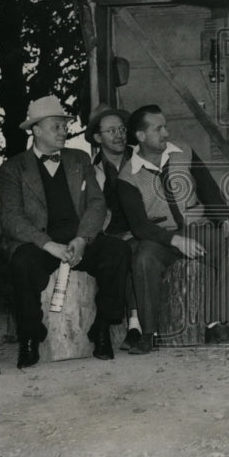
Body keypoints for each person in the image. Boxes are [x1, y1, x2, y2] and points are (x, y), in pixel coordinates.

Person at [0, 95, 129, 368]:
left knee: (117, 251)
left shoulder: (79, 159)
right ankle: (31, 337)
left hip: (80, 239)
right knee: (22, 263)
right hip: (40, 244)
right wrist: (48, 244)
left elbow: (96, 203)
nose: (64, 131)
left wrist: (83, 238)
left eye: (64, 125)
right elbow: (11, 218)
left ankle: (102, 326)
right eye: (56, 126)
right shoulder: (13, 168)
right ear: (36, 130)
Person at [116, 105, 229, 352]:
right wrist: (174, 241)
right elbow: (139, 225)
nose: (166, 133)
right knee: (143, 259)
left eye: (165, 126)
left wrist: (226, 224)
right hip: (159, 238)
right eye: (158, 129)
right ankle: (149, 334)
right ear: (141, 136)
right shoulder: (128, 177)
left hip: (197, 229)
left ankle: (219, 326)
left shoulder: (184, 152)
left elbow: (210, 191)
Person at [87, 103, 144, 352]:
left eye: (122, 129)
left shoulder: (142, 160)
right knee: (119, 251)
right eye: (111, 131)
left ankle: (136, 325)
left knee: (135, 250)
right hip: (112, 235)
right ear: (98, 137)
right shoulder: (92, 171)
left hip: (145, 228)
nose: (120, 134)